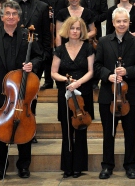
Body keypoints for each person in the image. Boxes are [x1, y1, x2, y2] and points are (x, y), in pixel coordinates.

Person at [0, 1, 42, 180]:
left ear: (19, 17)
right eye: (7, 13)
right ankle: (0, 168)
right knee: (1, 131)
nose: (10, 17)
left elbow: (41, 56)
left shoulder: (28, 36)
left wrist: (34, 65)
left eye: (14, 14)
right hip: (1, 93)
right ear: (1, 17)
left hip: (23, 93)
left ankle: (24, 166)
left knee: (25, 130)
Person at [95, 8, 135, 179]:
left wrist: (127, 72)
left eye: (125, 21)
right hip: (107, 96)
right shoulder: (103, 41)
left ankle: (130, 166)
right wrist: (108, 75)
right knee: (109, 132)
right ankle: (107, 166)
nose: (122, 24)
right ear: (113, 22)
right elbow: (96, 66)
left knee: (130, 133)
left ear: (129, 22)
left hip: (129, 96)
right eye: (118, 21)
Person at [50, 16, 95, 178]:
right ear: (66, 30)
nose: (75, 31)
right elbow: (53, 72)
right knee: (67, 130)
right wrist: (66, 80)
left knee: (81, 129)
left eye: (77, 28)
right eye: (72, 28)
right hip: (65, 93)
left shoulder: (88, 48)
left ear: (82, 31)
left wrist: (78, 83)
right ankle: (67, 167)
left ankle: (79, 166)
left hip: (83, 93)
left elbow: (91, 71)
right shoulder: (60, 49)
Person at [14, 0, 51, 129]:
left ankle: (30, 124)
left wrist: (45, 53)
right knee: (15, 90)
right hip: (15, 54)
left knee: (32, 93)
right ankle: (14, 121)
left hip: (36, 56)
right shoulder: (11, 5)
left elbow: (46, 33)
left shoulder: (42, 6)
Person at [37, 0, 67, 90]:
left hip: (62, 28)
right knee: (48, 54)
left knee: (61, 53)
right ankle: (48, 81)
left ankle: (61, 79)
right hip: (47, 28)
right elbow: (39, 10)